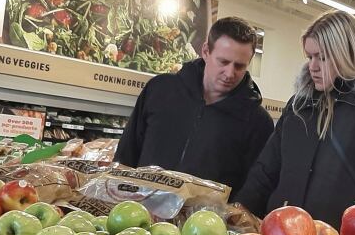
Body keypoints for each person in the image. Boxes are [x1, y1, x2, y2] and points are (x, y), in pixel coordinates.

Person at [235, 11, 355, 229]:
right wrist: (238, 214)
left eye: (322, 57)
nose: (313, 66)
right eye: (310, 57)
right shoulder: (299, 106)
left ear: (347, 53)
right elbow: (265, 173)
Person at [115, 16, 274, 199]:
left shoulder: (257, 122)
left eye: (239, 66)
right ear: (205, 51)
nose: (230, 73)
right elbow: (126, 155)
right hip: (137, 213)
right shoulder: (159, 90)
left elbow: (252, 191)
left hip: (203, 225)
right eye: (223, 62)